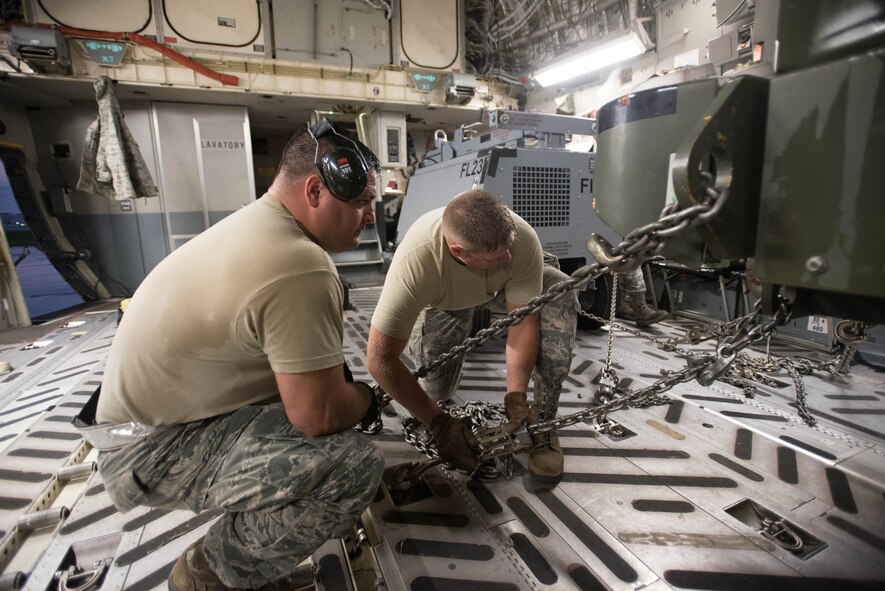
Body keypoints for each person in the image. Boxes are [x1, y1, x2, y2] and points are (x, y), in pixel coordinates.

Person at [91, 119, 385, 590]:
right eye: (361, 202)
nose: (370, 215)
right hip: (149, 450)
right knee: (352, 465)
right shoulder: (299, 264)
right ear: (314, 190)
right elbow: (319, 415)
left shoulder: (257, 223)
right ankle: (211, 573)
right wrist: (367, 400)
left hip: (136, 425)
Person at [367, 189, 578, 483]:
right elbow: (379, 358)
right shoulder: (417, 263)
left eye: (508, 247)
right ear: (458, 252)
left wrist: (516, 396)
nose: (507, 256)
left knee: (558, 289)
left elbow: (522, 322)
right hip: (445, 301)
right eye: (497, 256)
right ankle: (417, 390)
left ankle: (543, 421)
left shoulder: (520, 240)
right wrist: (439, 424)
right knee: (437, 391)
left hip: (500, 289)